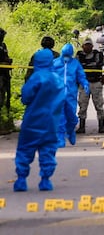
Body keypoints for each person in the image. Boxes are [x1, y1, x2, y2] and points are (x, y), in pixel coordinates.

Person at [14, 49, 65, 192]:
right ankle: (45, 180)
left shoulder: (36, 78)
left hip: (32, 121)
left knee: (25, 149)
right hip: (51, 124)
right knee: (48, 150)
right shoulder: (58, 80)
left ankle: (21, 179)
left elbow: (25, 97)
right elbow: (64, 103)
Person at [53, 44, 90, 147]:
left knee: (72, 117)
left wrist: (85, 84)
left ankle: (70, 131)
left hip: (70, 95)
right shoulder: (55, 63)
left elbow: (81, 76)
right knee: (60, 117)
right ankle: (60, 138)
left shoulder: (75, 64)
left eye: (68, 55)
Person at [75, 38, 104, 134]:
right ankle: (81, 127)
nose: (87, 47)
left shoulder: (98, 55)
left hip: (96, 83)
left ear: (92, 46)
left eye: (89, 45)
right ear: (82, 46)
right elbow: (73, 67)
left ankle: (101, 126)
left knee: (99, 105)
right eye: (86, 45)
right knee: (82, 105)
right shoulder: (79, 56)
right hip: (84, 84)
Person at [0, 28, 12, 112]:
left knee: (7, 90)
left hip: (5, 72)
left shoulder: (3, 45)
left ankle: (7, 103)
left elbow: (6, 56)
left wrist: (8, 60)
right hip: (0, 73)